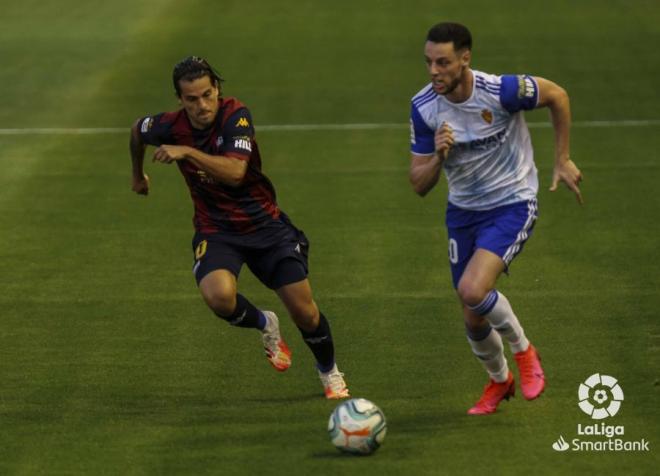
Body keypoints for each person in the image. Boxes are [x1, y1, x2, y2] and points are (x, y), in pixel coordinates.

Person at [129, 56, 349, 399]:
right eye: (191, 99)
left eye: (207, 95)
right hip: (216, 229)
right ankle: (265, 324)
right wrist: (137, 174)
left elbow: (234, 173)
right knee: (218, 297)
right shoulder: (169, 126)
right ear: (180, 100)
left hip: (266, 227)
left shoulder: (235, 115)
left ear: (217, 89)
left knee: (305, 313)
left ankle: (330, 372)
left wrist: (186, 152)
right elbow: (137, 130)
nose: (202, 105)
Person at [408, 23, 583, 414]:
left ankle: (524, 352)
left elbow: (557, 95)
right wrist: (438, 156)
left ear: (465, 59)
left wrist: (562, 157)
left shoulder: (501, 91)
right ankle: (500, 381)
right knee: (472, 316)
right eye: (428, 62)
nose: (434, 70)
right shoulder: (424, 108)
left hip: (512, 202)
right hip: (464, 212)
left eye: (443, 62)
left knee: (473, 290)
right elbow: (418, 184)